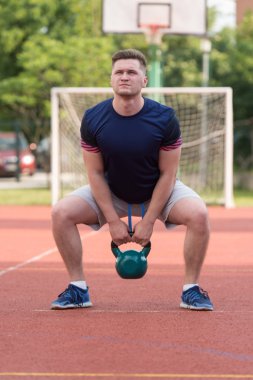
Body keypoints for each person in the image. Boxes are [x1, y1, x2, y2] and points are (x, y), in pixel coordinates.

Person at [51, 49, 213, 311]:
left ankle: (191, 289)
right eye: (119, 72)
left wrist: (149, 221)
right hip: (111, 190)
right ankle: (78, 289)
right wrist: (113, 222)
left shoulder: (164, 118)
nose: (125, 77)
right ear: (111, 79)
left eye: (131, 72)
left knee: (199, 214)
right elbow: (94, 173)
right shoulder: (93, 118)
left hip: (158, 189)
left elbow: (168, 174)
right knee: (61, 212)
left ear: (144, 80)